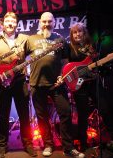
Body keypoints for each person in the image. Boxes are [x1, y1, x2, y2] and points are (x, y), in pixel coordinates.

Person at [24, 12, 85, 158]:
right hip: (37, 84)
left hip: (57, 84)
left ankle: (68, 147)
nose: (46, 24)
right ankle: (48, 145)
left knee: (65, 113)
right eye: (44, 21)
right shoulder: (31, 39)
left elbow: (65, 62)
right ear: (40, 22)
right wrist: (27, 74)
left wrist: (62, 76)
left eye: (49, 21)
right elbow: (22, 59)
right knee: (42, 117)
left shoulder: (60, 39)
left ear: (54, 23)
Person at [0, 12, 36, 158]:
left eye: (13, 21)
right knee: (3, 116)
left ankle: (28, 143)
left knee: (24, 115)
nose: (10, 23)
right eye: (7, 21)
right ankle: (2, 146)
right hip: (3, 81)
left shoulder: (25, 39)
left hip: (20, 80)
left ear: (17, 24)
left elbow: (37, 46)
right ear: (3, 24)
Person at [57, 22, 97, 152]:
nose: (77, 34)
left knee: (96, 110)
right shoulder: (69, 48)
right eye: (74, 32)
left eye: (80, 31)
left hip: (91, 83)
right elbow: (65, 67)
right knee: (82, 114)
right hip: (79, 85)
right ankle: (83, 142)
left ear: (84, 33)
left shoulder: (92, 47)